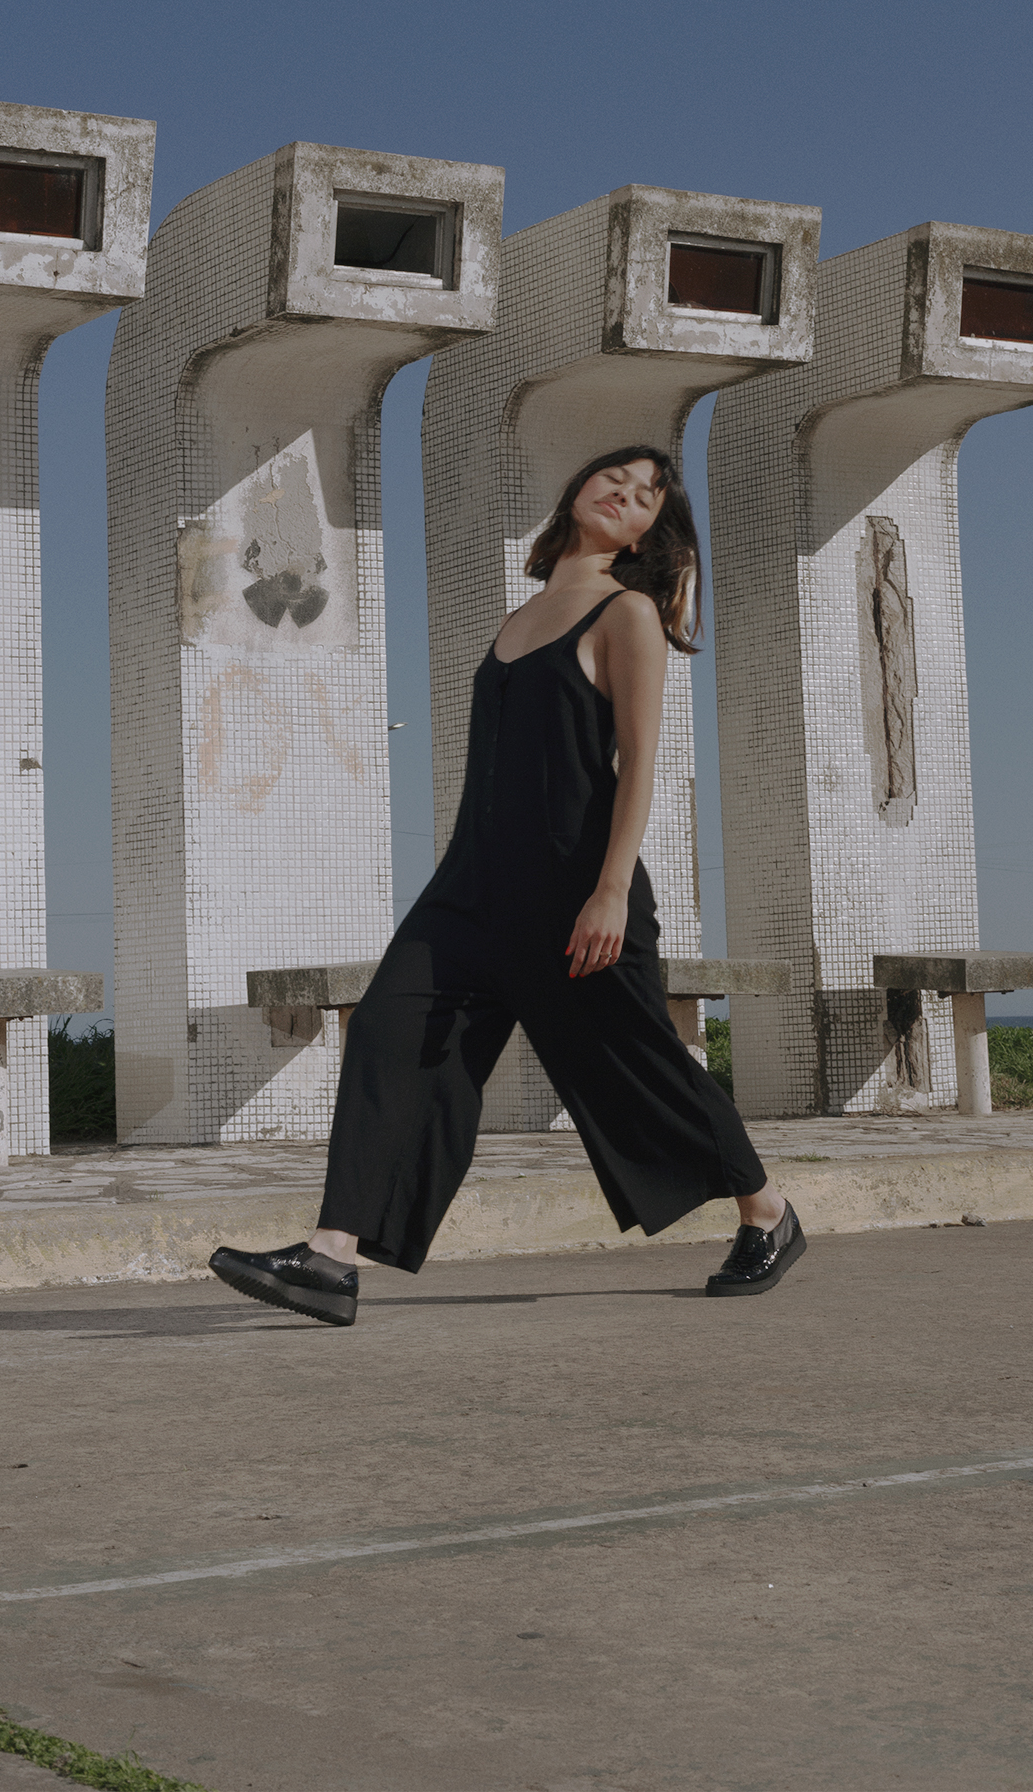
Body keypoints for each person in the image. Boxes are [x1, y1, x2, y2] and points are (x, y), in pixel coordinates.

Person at [209, 447, 804, 1327]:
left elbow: (639, 763)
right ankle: (332, 1256)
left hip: (576, 889)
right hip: (472, 883)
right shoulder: (522, 615)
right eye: (615, 478)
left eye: (646, 496)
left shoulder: (628, 613)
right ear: (579, 487)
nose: (626, 494)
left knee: (631, 1065)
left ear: (649, 534)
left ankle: (768, 1212)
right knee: (392, 1029)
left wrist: (610, 890)